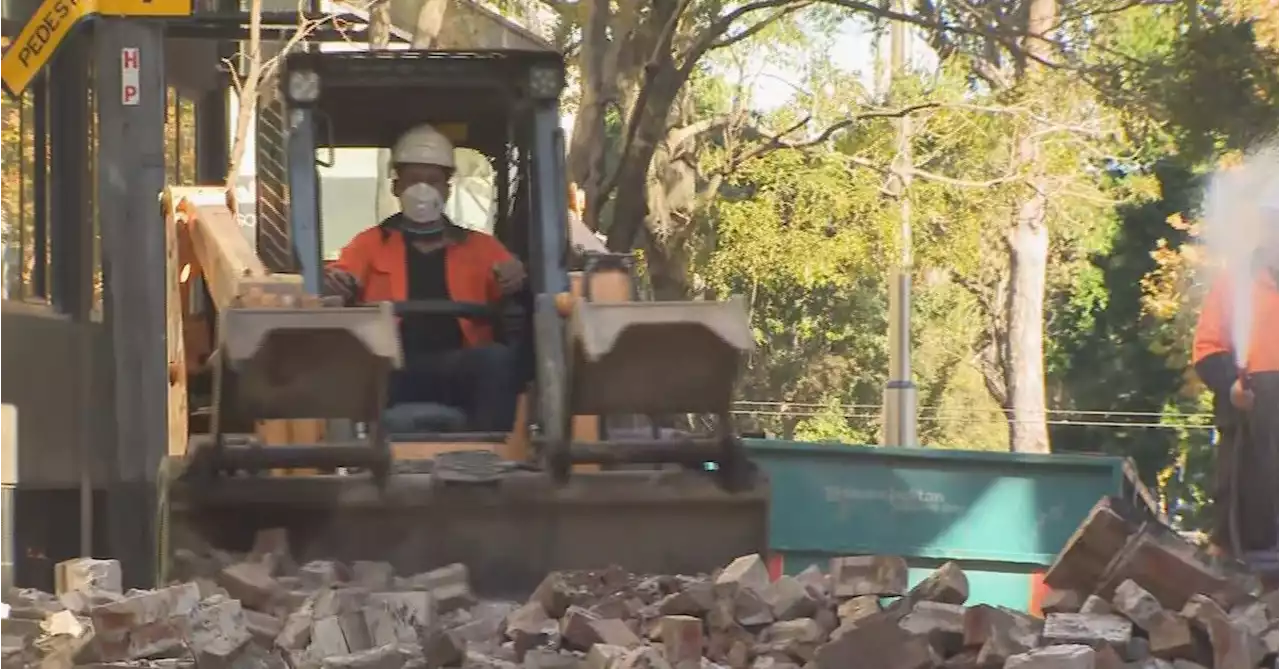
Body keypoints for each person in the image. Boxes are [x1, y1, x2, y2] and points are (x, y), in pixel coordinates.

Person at [324, 124, 526, 432]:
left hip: (459, 367)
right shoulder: (368, 244)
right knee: (349, 370)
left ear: (447, 187)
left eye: (432, 181)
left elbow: (515, 289)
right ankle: (355, 451)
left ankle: (492, 452)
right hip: (391, 369)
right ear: (396, 186)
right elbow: (341, 275)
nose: (422, 190)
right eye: (413, 180)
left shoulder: (483, 248)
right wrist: (338, 284)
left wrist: (517, 279)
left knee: (498, 361)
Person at [1192, 222, 1280, 557]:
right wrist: (1231, 387)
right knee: (1239, 500)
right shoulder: (1236, 283)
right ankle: (1227, 566)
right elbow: (1207, 347)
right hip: (1249, 413)